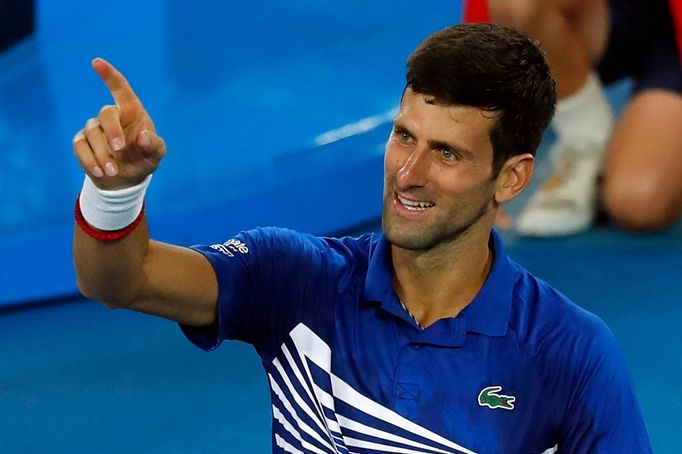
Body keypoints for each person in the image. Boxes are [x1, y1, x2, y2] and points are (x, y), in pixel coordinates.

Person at [72, 23, 652, 453]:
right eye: (405, 137)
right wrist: (116, 193)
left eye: (446, 153)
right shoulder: (296, 278)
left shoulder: (568, 353)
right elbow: (123, 280)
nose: (409, 172)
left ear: (512, 177)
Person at [464, 0, 682, 236]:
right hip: (599, 16)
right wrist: (478, 159)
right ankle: (587, 137)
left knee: (639, 203)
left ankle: (611, 155)